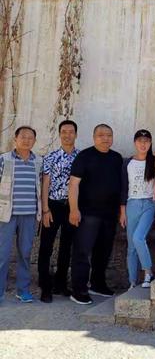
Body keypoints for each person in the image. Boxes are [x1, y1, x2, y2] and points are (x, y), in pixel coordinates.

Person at [68, 124, 123, 305]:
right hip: (87, 214)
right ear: (94, 137)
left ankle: (98, 284)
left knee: (103, 252)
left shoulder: (116, 158)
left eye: (109, 135)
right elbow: (74, 184)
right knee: (82, 252)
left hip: (109, 214)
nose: (105, 138)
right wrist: (74, 209)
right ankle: (79, 289)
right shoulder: (85, 156)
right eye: (101, 135)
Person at [38, 120, 79, 303]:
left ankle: (61, 284)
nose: (67, 135)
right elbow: (45, 183)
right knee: (46, 247)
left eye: (71, 132)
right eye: (64, 132)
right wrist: (45, 209)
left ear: (76, 134)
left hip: (71, 206)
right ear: (59, 134)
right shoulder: (51, 156)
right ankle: (45, 286)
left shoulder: (81, 157)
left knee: (66, 246)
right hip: (53, 206)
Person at [0, 126, 42, 303]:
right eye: (23, 137)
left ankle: (22, 290)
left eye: (30, 137)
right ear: (15, 139)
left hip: (29, 214)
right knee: (2, 254)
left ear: (34, 141)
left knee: (25, 253)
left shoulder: (38, 161)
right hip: (6, 214)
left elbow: (41, 186)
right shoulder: (4, 159)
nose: (26, 140)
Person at [120, 129, 155, 290]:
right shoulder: (127, 163)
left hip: (149, 203)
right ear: (135, 143)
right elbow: (123, 187)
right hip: (131, 204)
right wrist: (122, 211)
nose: (143, 144)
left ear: (150, 143)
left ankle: (148, 272)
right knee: (131, 247)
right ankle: (132, 282)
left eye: (146, 141)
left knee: (139, 238)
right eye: (140, 141)